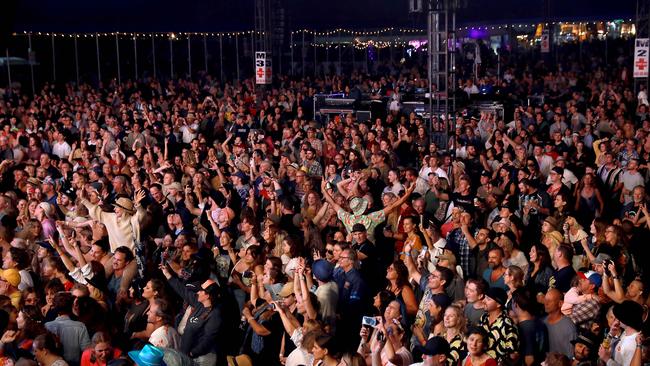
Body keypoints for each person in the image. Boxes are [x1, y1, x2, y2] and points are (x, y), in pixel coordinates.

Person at [160, 265, 222, 365]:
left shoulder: (215, 315)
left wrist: (192, 353)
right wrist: (167, 274)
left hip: (202, 359)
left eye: (201, 290)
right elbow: (182, 290)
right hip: (188, 356)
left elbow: (208, 340)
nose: (198, 292)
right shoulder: (198, 304)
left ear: (208, 295)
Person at [44, 292, 91, 365]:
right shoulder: (80, 326)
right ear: (71, 306)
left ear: (55, 307)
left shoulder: (47, 326)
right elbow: (87, 350)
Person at [478, 287, 519, 364]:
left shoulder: (507, 324)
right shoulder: (483, 317)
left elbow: (513, 355)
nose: (483, 301)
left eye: (488, 299)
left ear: (498, 304)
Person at [544, 289, 577, 358]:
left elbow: (571, 355)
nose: (546, 303)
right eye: (545, 300)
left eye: (549, 301)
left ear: (560, 303)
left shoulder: (569, 327)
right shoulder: (542, 322)